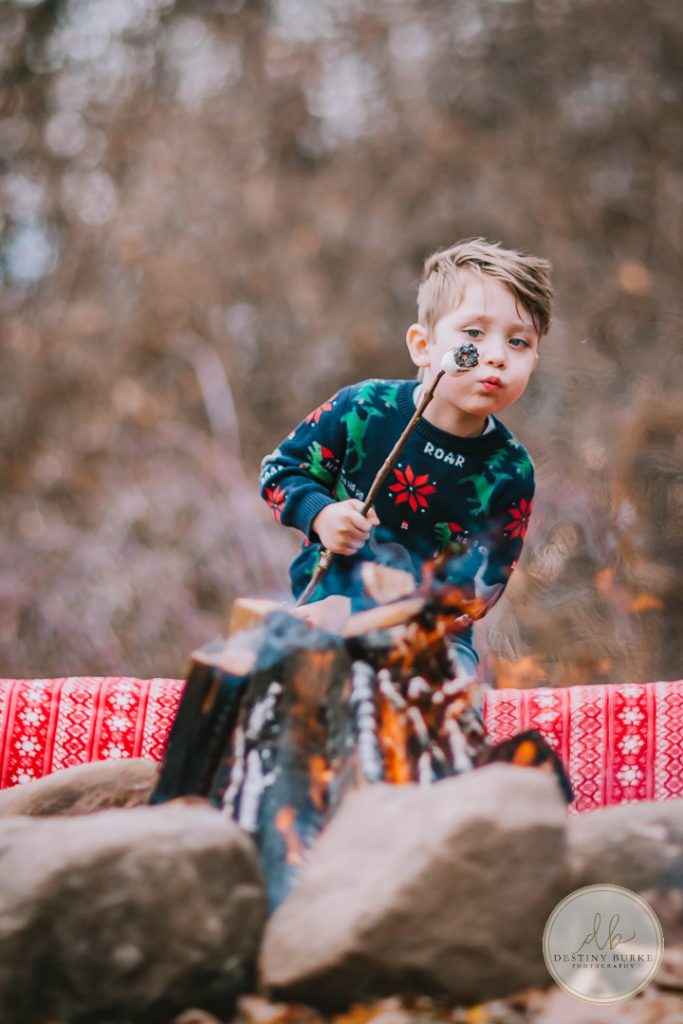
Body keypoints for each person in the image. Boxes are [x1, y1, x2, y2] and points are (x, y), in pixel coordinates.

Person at [259, 237, 553, 684]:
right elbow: (280, 470)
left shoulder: (511, 472)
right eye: (474, 333)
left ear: (533, 361)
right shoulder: (363, 409)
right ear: (422, 346)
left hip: (431, 640)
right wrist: (320, 515)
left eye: (518, 342)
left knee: (453, 693)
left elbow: (481, 590)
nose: (496, 354)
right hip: (328, 610)